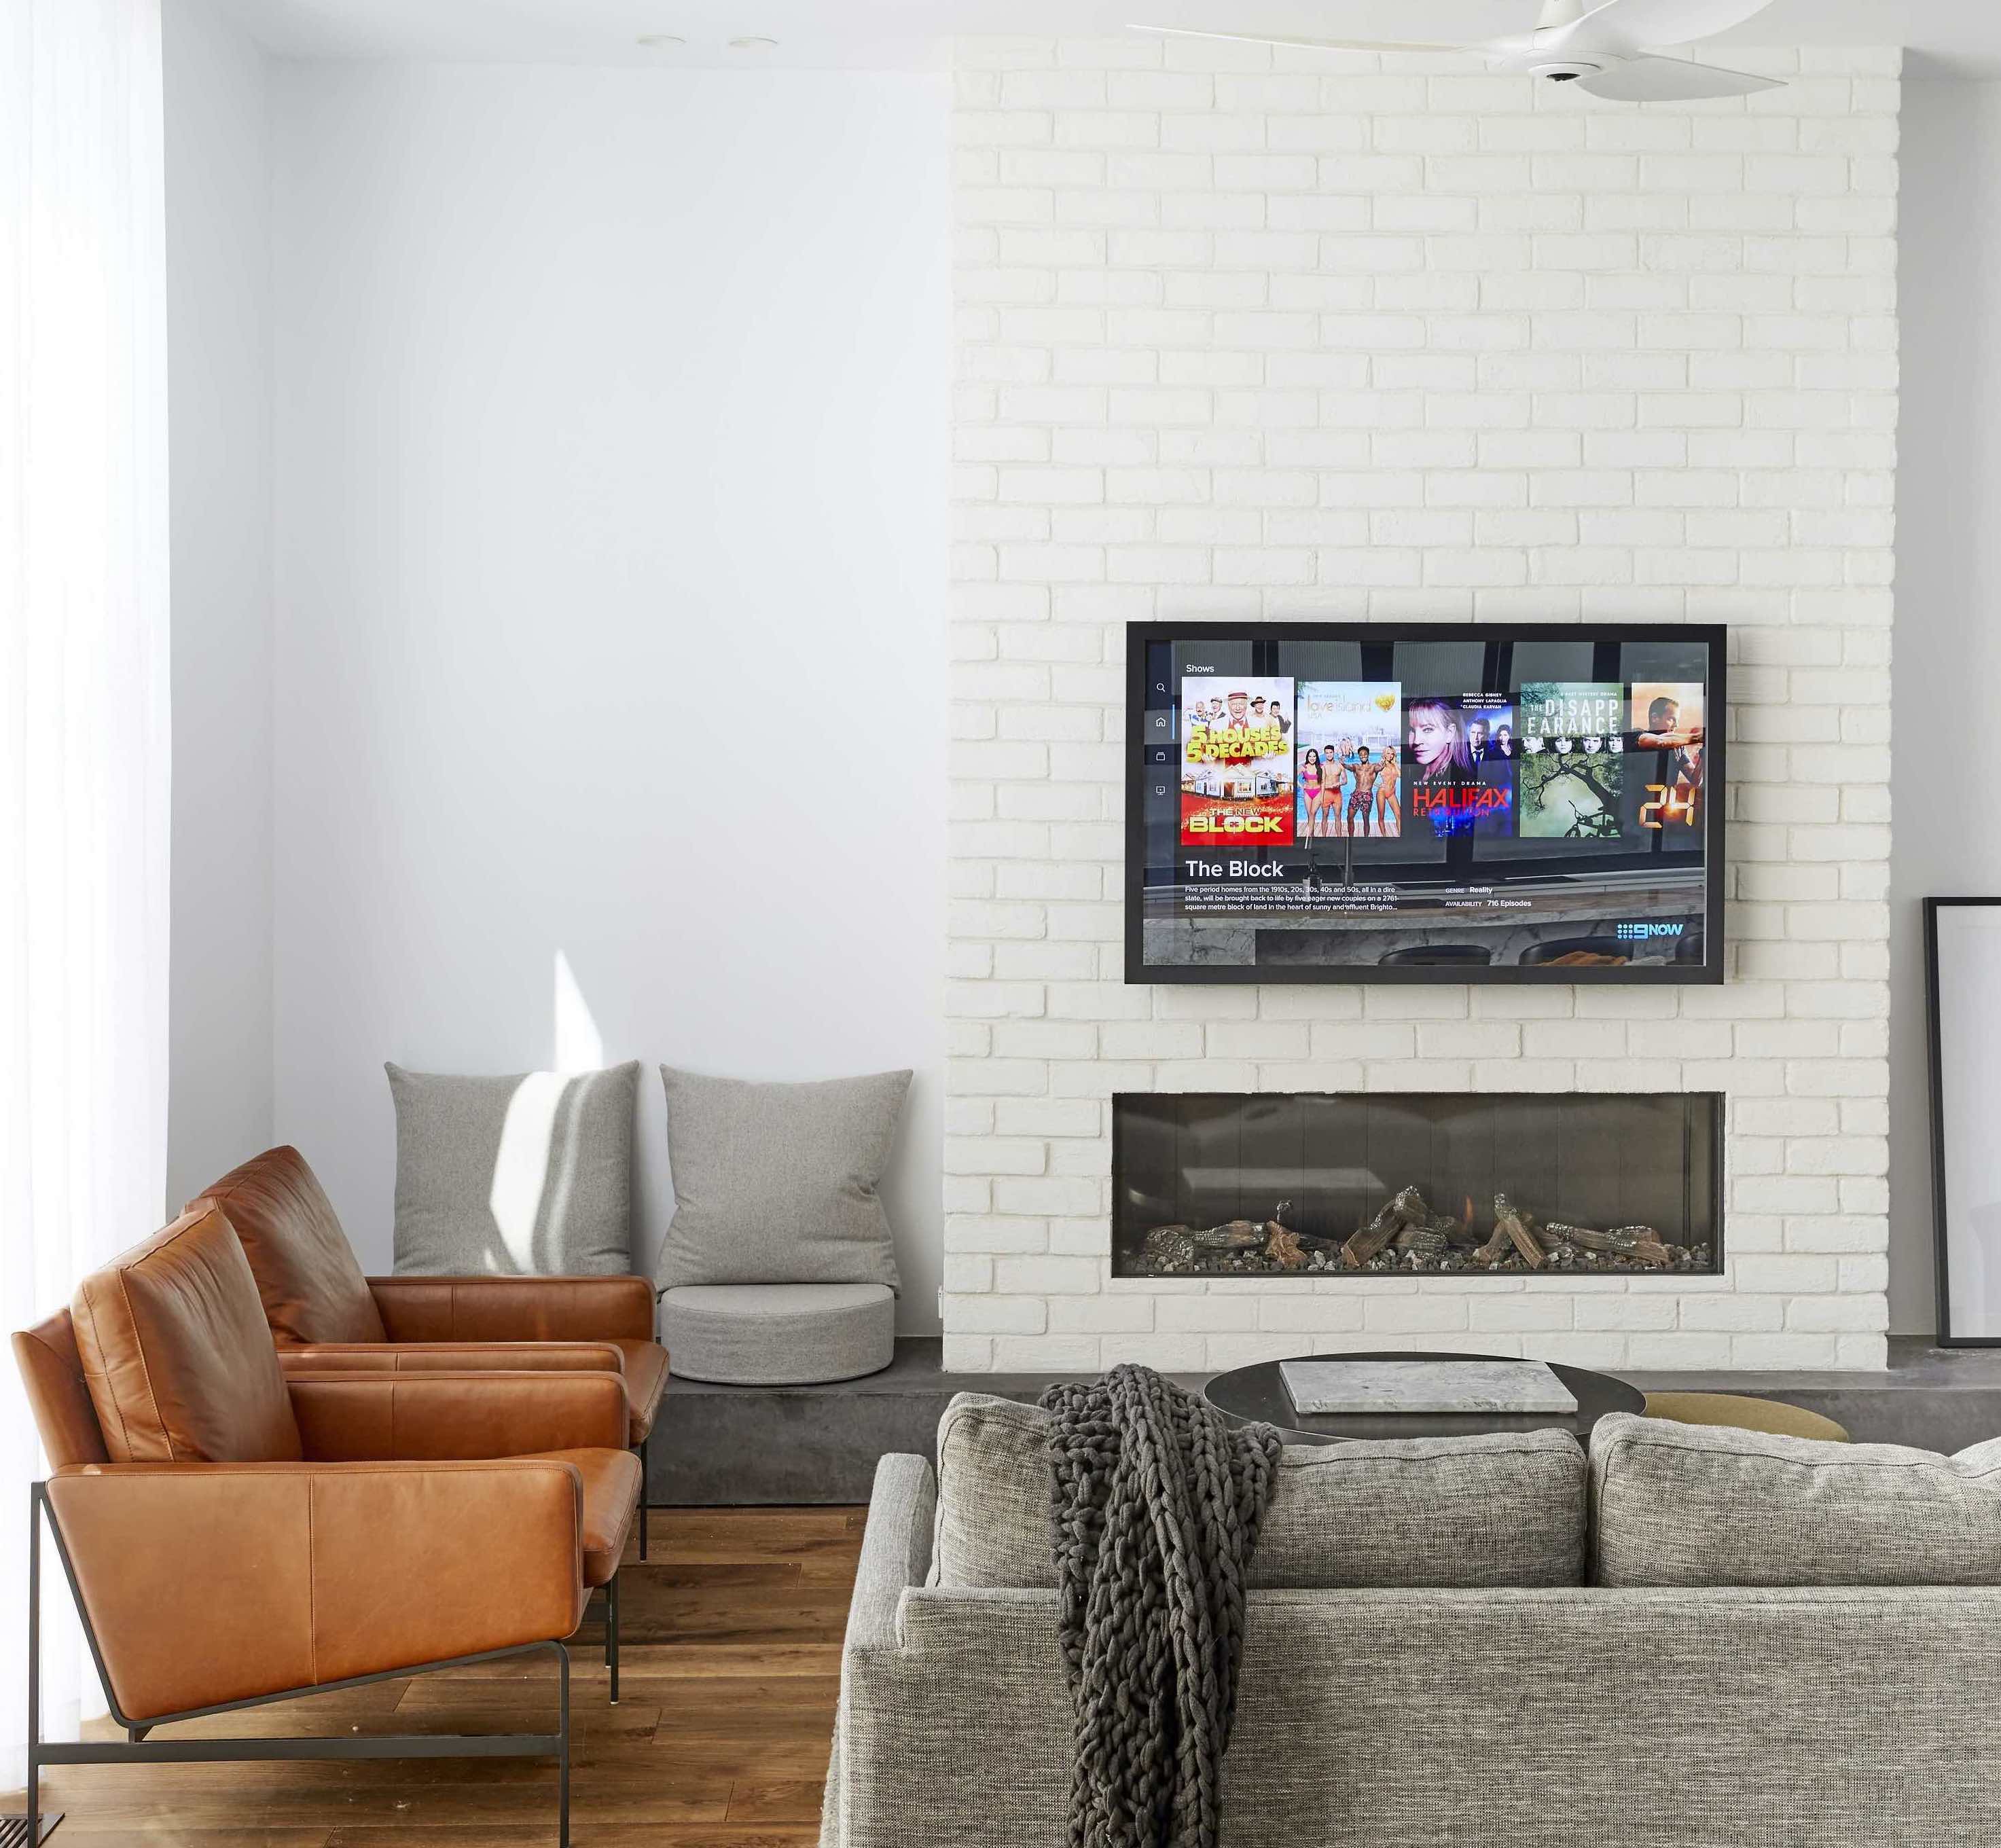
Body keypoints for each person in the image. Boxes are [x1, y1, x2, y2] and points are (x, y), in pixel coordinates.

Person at [1638, 694, 1703, 750]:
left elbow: (1690, 766)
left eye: (1677, 721)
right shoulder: (1636, 734)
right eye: (1672, 719)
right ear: (1655, 718)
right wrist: (1698, 737)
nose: (1676, 725)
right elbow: (1661, 742)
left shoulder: (1678, 745)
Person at [1348, 746, 1381, 837]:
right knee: (1350, 818)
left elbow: (1379, 768)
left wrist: (1384, 763)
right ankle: (1351, 839)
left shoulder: (1374, 767)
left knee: (1366, 819)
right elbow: (1349, 767)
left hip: (1367, 795)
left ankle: (1366, 839)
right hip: (1356, 794)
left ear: (1368, 755)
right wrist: (1342, 762)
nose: (1363, 756)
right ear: (1359, 756)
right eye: (1361, 755)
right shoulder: (1356, 767)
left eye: (1365, 754)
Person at [1375, 742, 1401, 835]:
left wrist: (1395, 764)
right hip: (1382, 793)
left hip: (1392, 793)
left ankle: (1400, 835)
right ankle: (1384, 836)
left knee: (1399, 815)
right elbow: (1370, 779)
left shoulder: (1395, 765)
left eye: (1392, 754)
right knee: (1381, 817)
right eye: (1388, 753)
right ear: (1384, 754)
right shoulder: (1381, 765)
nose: (1390, 756)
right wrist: (1378, 785)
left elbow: (1401, 775)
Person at [1298, 748, 1323, 837]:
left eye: (1314, 756)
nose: (1312, 758)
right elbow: (1294, 777)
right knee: (1310, 815)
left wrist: (1322, 797)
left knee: (1313, 813)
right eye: (1310, 756)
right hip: (1307, 793)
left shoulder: (1321, 767)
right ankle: (1312, 836)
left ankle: (1308, 837)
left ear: (1317, 757)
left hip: (1318, 792)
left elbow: (1323, 782)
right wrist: (1302, 786)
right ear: (1307, 757)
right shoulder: (1303, 767)